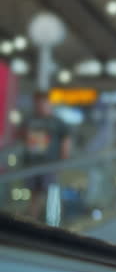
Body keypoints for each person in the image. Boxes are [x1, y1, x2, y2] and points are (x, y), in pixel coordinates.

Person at [19, 91, 71, 221]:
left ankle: (54, 222)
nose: (40, 106)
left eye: (43, 103)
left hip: (49, 165)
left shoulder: (57, 122)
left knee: (51, 195)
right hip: (32, 164)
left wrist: (62, 162)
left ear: (48, 103)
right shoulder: (30, 120)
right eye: (37, 103)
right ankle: (32, 221)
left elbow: (66, 143)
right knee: (34, 195)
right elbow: (21, 138)